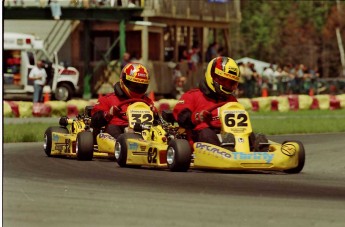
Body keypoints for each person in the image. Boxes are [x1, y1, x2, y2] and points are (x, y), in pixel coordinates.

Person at [173, 56, 240, 146]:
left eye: (232, 83)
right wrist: (197, 117)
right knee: (207, 134)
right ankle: (225, 154)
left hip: (229, 137)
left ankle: (261, 152)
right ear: (213, 77)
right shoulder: (192, 96)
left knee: (252, 136)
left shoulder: (232, 100)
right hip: (200, 140)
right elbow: (182, 117)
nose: (230, 86)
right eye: (226, 81)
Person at [91, 63, 154, 140]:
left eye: (141, 86)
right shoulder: (108, 100)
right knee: (112, 128)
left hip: (144, 131)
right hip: (118, 134)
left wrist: (154, 113)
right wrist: (109, 114)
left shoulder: (147, 101)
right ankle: (122, 144)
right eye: (134, 85)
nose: (138, 88)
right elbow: (94, 121)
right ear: (123, 81)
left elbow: (157, 122)